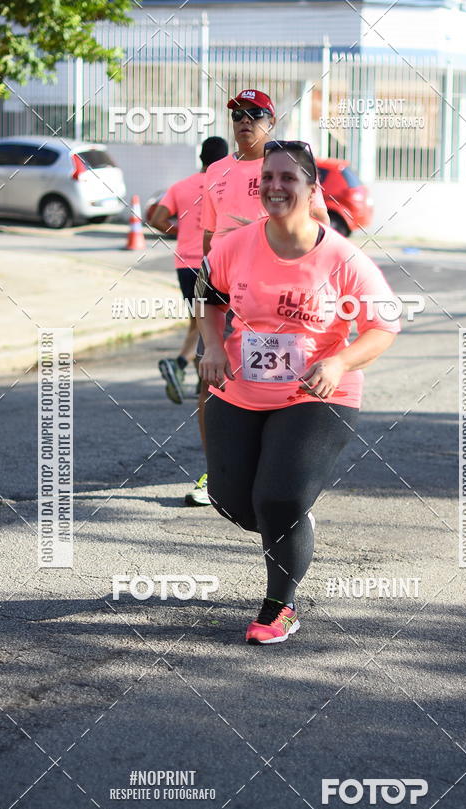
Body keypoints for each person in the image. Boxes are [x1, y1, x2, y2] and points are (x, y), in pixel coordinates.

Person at [195, 140, 399, 645]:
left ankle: (279, 607)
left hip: (317, 394)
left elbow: (383, 326)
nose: (275, 186)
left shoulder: (342, 258)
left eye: (288, 178)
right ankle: (291, 515)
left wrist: (340, 360)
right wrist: (213, 346)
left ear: (312, 191)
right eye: (268, 177)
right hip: (240, 390)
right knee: (230, 500)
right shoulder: (235, 246)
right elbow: (207, 296)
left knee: (278, 498)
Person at [185, 88, 330, 506]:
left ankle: (284, 471)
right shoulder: (216, 170)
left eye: (255, 113)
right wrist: (208, 281)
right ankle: (217, 472)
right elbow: (210, 235)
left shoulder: (286, 166)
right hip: (224, 288)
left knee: (283, 378)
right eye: (237, 114)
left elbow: (319, 222)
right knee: (212, 378)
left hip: (276, 288)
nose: (244, 121)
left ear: (272, 120)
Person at [152, 136, 229, 407]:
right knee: (211, 322)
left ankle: (200, 377)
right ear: (225, 159)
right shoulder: (226, 185)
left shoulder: (180, 186)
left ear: (200, 158)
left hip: (184, 264)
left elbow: (157, 218)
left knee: (197, 321)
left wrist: (181, 231)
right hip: (213, 262)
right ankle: (180, 363)